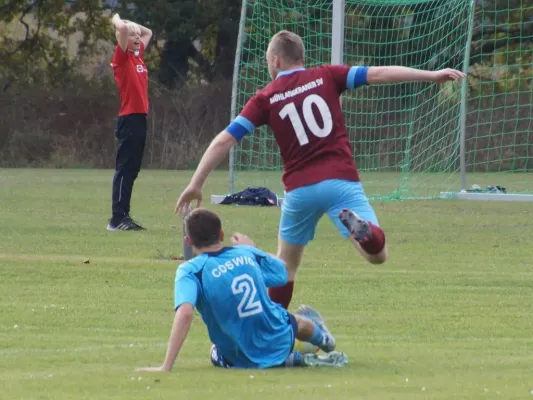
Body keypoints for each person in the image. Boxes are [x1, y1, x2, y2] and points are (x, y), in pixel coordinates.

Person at [175, 30, 466, 309]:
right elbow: (378, 73)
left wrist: (196, 183)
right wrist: (431, 75)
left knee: (285, 269)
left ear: (276, 61)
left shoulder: (266, 97)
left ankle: (278, 330)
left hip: (299, 191)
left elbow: (224, 140)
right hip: (341, 182)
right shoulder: (326, 75)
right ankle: (365, 233)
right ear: (301, 56)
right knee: (377, 256)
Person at [136, 208, 348, 371]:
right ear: (221, 234)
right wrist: (254, 249)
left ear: (188, 241)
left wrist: (166, 365)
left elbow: (185, 312)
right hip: (279, 335)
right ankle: (324, 341)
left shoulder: (190, 271)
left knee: (215, 352)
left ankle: (296, 360)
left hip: (239, 353)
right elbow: (282, 274)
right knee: (296, 320)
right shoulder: (245, 253)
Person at [107, 14, 152, 231]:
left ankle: (125, 215)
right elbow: (123, 31)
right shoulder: (122, 58)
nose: (136, 37)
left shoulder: (137, 56)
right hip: (129, 119)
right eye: (131, 34)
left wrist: (131, 25)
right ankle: (117, 219)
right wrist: (117, 20)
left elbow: (148, 32)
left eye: (136, 34)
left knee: (132, 170)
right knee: (124, 169)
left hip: (140, 119)